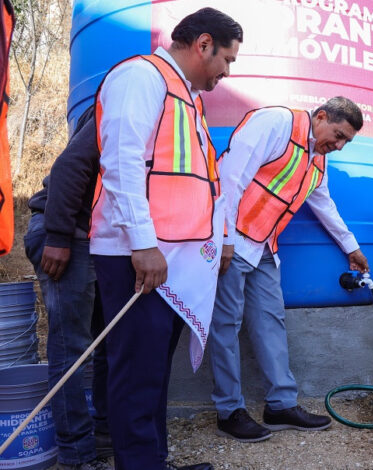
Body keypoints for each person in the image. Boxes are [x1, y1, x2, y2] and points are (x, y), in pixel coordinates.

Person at [89, 8, 242, 469]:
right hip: (138, 256)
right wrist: (142, 245)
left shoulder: (187, 96)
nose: (227, 72)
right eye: (227, 60)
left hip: (168, 257)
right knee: (136, 373)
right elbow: (121, 162)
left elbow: (205, 182)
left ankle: (151, 460)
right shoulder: (142, 77)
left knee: (152, 372)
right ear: (203, 44)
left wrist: (218, 239)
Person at [210, 97, 369, 442]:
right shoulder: (276, 123)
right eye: (338, 135)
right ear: (321, 116)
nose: (339, 146)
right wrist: (223, 236)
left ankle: (280, 405)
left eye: (346, 142)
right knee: (226, 323)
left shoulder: (319, 159)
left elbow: (323, 203)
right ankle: (229, 410)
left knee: (271, 320)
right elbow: (231, 176)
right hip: (233, 240)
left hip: (264, 246)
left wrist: (351, 246)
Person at [23, 106, 112, 470]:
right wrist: (58, 236)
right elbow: (68, 168)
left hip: (95, 238)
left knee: (107, 339)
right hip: (64, 231)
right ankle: (75, 455)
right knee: (72, 348)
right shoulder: (125, 104)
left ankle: (104, 433)